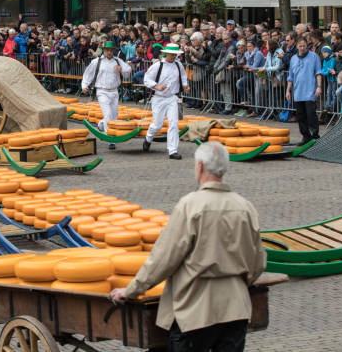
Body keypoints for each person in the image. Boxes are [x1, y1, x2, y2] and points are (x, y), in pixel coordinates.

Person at [110, 141, 266, 352]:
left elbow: (164, 259)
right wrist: (236, 282)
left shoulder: (190, 206)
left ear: (200, 166)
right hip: (235, 309)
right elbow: (258, 261)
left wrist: (131, 290)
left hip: (195, 311)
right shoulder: (244, 207)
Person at [81, 41, 131, 150]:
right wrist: (84, 85)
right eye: (107, 50)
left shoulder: (118, 61)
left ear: (113, 50)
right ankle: (110, 139)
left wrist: (121, 70)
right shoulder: (97, 61)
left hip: (114, 91)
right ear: (104, 50)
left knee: (114, 115)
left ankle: (101, 124)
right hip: (102, 91)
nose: (109, 52)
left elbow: (128, 70)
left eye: (111, 50)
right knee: (108, 113)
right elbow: (88, 73)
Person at [142, 43, 189, 160]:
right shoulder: (158, 65)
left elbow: (183, 76)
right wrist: (156, 86)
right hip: (158, 98)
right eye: (172, 54)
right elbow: (147, 79)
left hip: (172, 98)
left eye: (176, 55)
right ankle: (148, 137)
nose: (174, 57)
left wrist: (185, 85)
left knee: (174, 123)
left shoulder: (178, 65)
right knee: (157, 125)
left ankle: (172, 150)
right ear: (166, 53)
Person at [286, 36, 322, 145]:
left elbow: (318, 72)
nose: (302, 48)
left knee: (311, 114)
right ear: (296, 46)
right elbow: (290, 77)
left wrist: (319, 87)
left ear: (307, 45)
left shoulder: (314, 56)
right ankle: (305, 136)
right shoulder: (293, 59)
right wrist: (288, 90)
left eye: (304, 46)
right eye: (300, 46)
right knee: (301, 116)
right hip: (298, 91)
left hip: (310, 90)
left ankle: (315, 135)